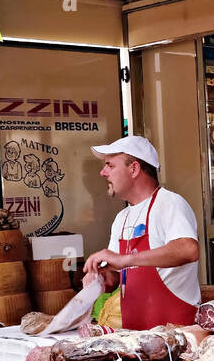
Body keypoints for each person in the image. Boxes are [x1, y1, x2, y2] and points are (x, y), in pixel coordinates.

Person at [82, 135, 201, 328]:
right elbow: (117, 275)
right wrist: (100, 278)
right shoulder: (122, 218)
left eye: (110, 165)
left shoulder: (169, 203)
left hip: (176, 338)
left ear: (134, 168)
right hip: (136, 340)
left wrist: (125, 259)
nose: (103, 172)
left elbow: (188, 249)